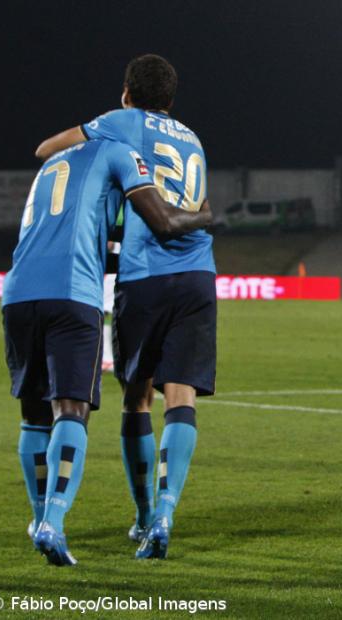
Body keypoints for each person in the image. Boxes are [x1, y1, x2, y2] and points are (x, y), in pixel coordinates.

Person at [35, 54, 215, 559]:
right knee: (181, 397)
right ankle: (166, 515)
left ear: (127, 93)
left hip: (144, 274)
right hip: (198, 274)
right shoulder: (193, 138)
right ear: (172, 100)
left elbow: (48, 150)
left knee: (137, 399)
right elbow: (196, 207)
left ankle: (143, 516)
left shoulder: (122, 121)